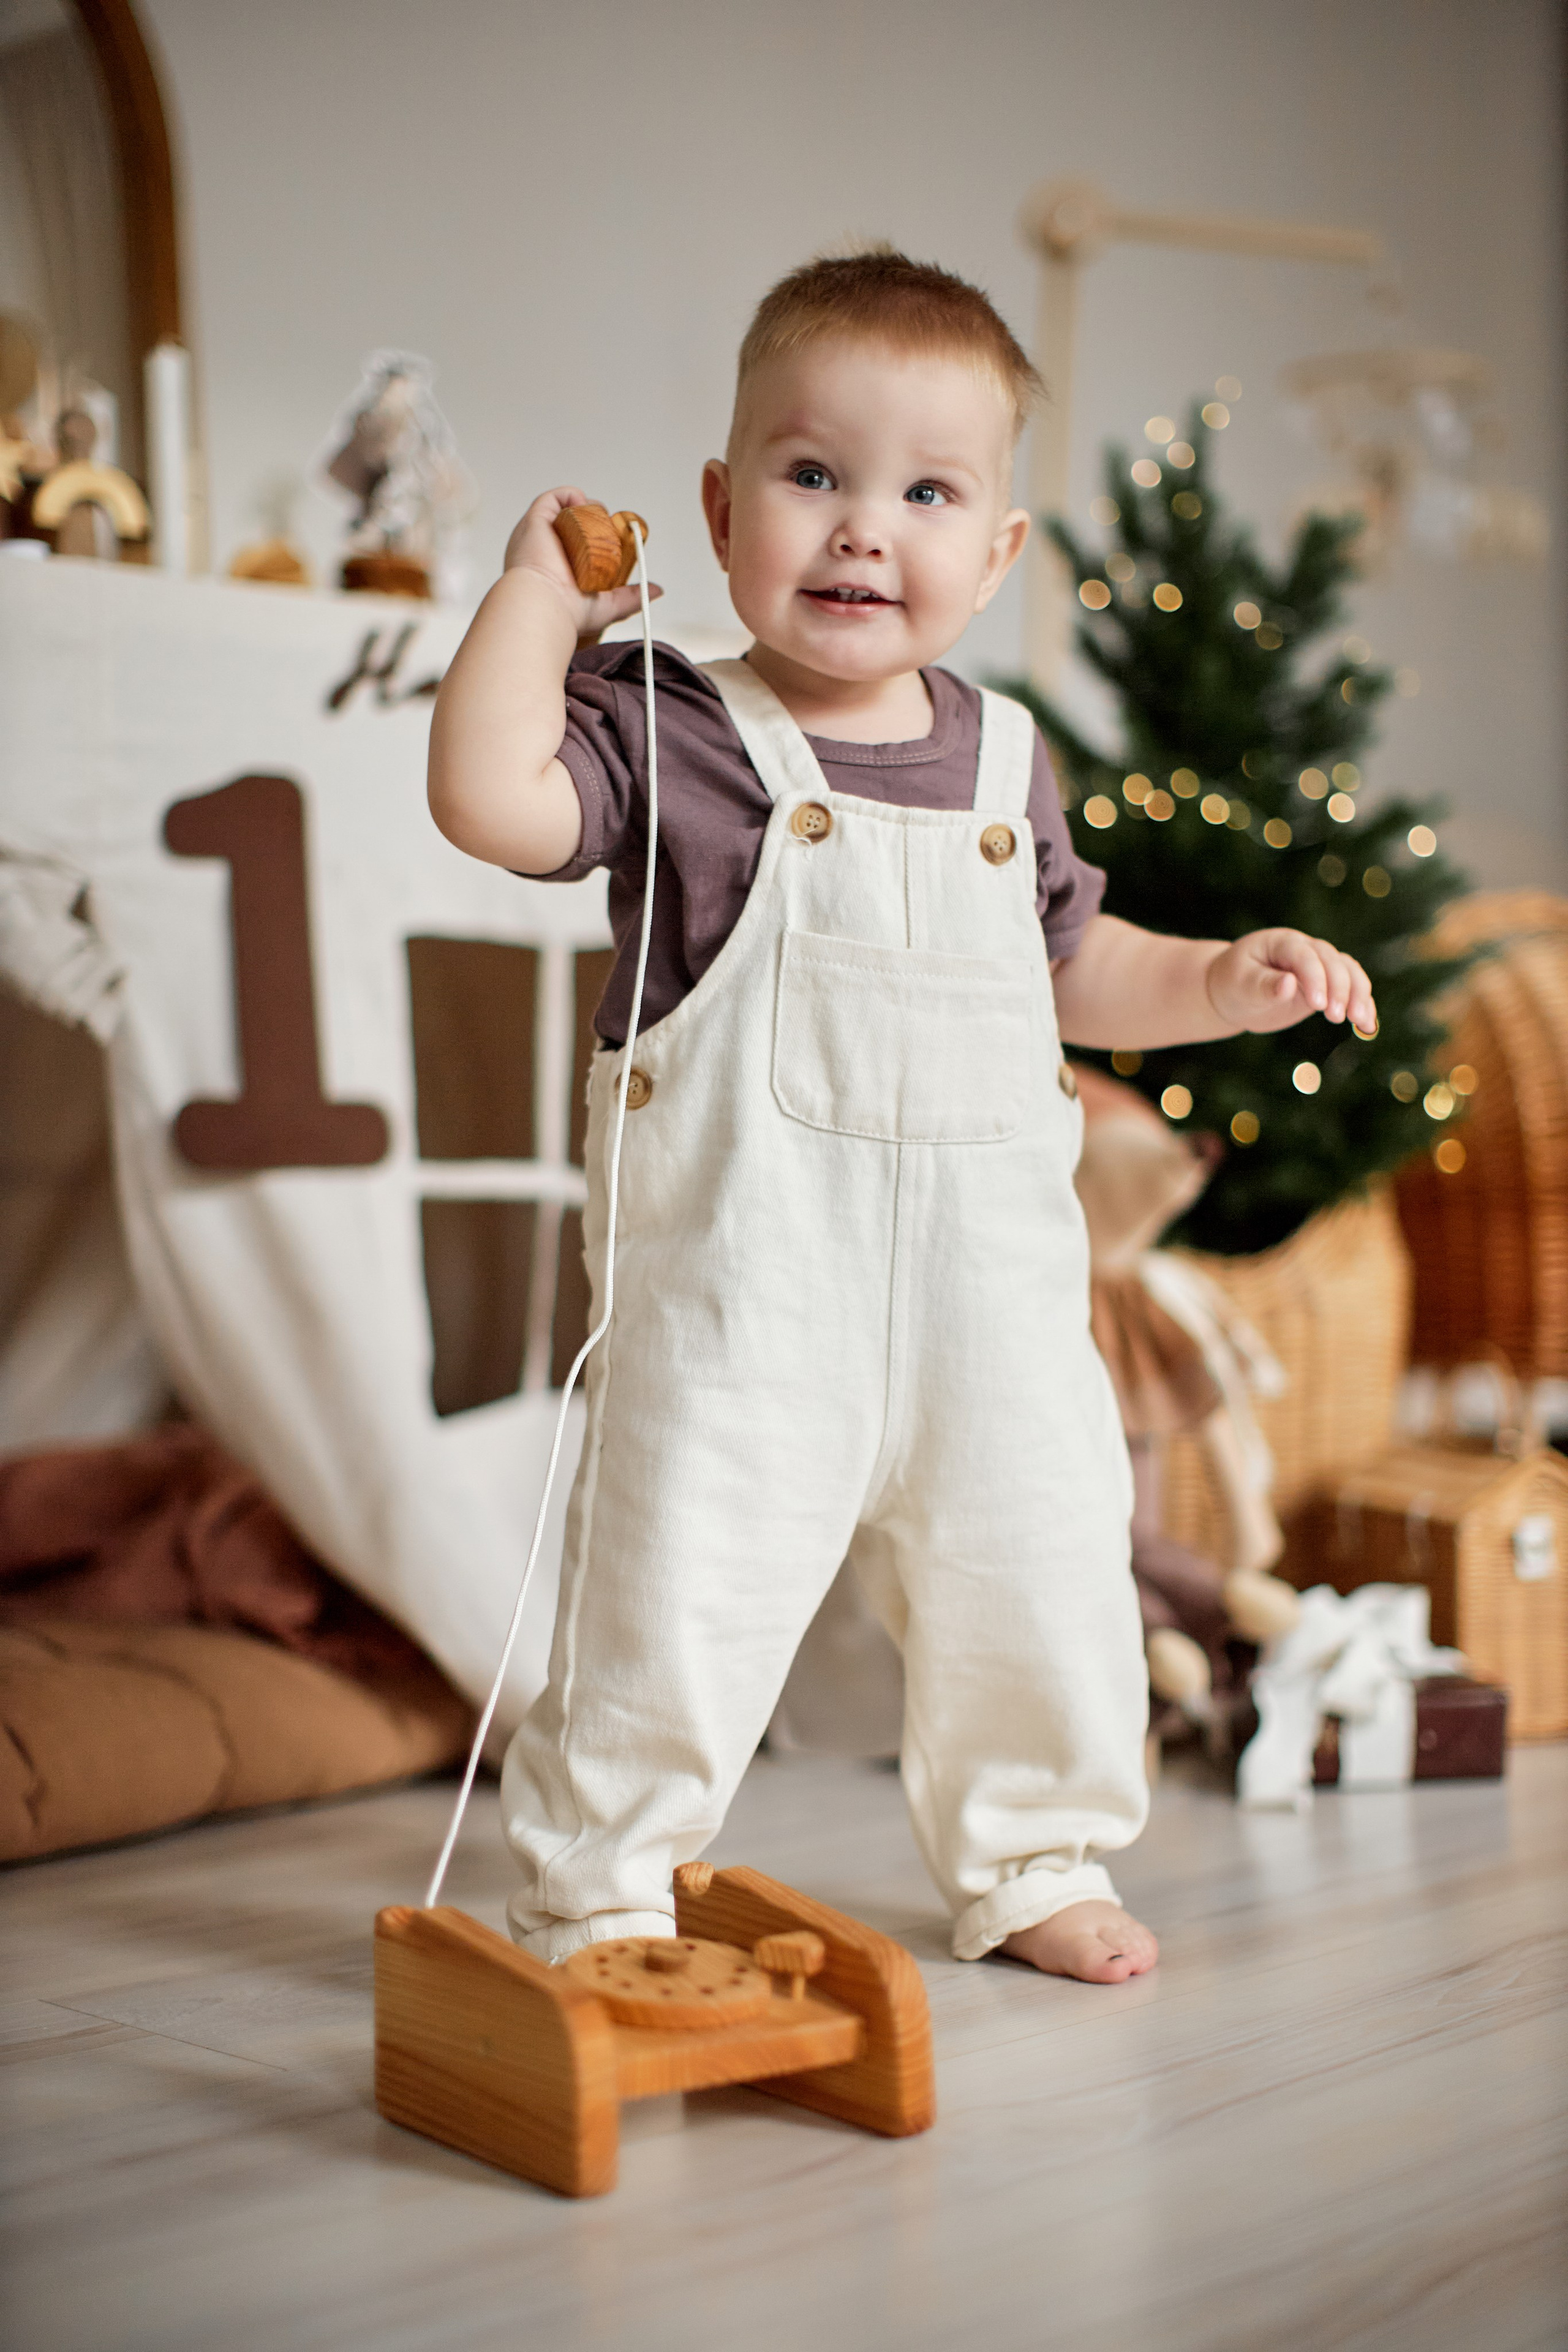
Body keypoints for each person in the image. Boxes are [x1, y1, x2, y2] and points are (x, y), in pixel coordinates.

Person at [428, 248, 1375, 1984]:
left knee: (1043, 1577)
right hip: (741, 1300)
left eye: (928, 492)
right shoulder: (681, 730)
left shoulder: (1006, 759)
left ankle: (1033, 1856)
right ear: (721, 509)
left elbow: (1075, 969)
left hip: (990, 1317)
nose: (867, 529)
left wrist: (1223, 981)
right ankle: (608, 1886)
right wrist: (533, 608)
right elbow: (489, 798)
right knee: (670, 1600)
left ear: (998, 551)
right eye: (814, 477)